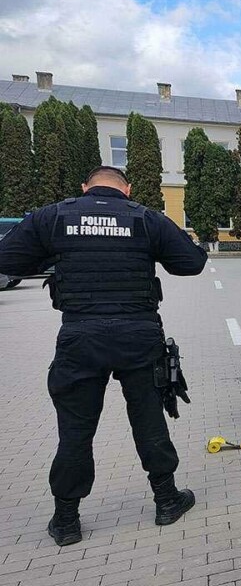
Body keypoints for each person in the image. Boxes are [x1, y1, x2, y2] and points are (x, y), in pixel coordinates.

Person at [0, 166, 207, 546]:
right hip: (138, 336)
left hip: (80, 338)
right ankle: (166, 501)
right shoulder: (145, 218)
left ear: (85, 187)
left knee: (76, 430)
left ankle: (66, 521)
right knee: (148, 421)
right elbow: (192, 263)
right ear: (126, 189)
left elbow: (6, 259)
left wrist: (56, 258)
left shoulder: (54, 216)